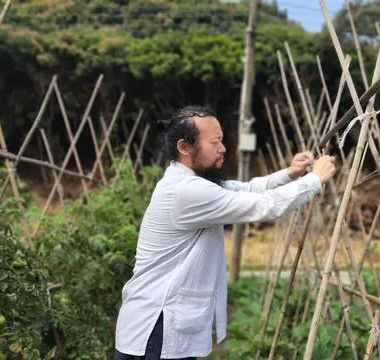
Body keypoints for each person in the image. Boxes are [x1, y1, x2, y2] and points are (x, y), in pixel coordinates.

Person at [114, 105, 336, 359]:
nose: (223, 148)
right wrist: (314, 180)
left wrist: (291, 173)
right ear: (184, 147)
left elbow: (246, 189)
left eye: (222, 141)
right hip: (156, 327)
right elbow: (264, 206)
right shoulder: (186, 191)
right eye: (215, 142)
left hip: (159, 325)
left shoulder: (191, 182)